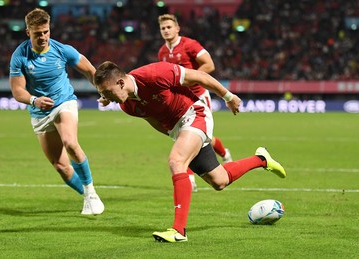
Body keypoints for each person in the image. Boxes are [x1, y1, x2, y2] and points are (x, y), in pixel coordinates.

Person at [93, 61, 286, 242]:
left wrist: (228, 97)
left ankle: (178, 230)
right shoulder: (127, 106)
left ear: (120, 82)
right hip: (179, 129)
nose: (106, 99)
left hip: (194, 113)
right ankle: (262, 159)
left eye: (107, 93)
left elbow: (200, 77)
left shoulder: (153, 74)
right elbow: (152, 119)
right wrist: (175, 136)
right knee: (219, 181)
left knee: (176, 161)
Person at [9, 8, 104, 215]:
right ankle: (87, 196)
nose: (43, 37)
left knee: (70, 142)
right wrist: (34, 100)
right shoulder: (20, 56)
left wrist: (104, 91)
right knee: (61, 166)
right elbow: (17, 90)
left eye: (46, 32)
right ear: (28, 33)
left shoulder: (63, 50)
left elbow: (89, 70)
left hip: (64, 103)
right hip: (39, 111)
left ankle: (92, 191)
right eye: (37, 33)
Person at [158, 14, 232, 192]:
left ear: (177, 28)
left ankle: (221, 154)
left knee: (199, 137)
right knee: (187, 136)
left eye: (169, 27)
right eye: (163, 28)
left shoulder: (190, 45)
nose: (166, 30)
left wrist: (189, 80)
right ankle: (192, 174)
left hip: (198, 97)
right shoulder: (161, 52)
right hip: (178, 101)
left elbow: (209, 65)